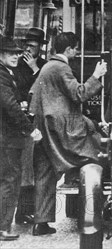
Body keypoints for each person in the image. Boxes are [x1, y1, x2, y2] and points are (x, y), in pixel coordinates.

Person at [29, 32, 107, 236]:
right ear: (69, 49)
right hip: (59, 129)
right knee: (94, 152)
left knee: (45, 174)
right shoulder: (61, 67)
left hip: (44, 128)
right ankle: (91, 214)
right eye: (76, 48)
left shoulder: (46, 67)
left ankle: (41, 222)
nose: (77, 51)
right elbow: (79, 94)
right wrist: (96, 76)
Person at [0, 36, 42, 241]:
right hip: (7, 138)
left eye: (17, 52)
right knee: (10, 181)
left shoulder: (8, 73)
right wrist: (29, 129)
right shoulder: (2, 75)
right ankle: (3, 227)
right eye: (11, 53)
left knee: (8, 180)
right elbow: (9, 106)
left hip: (7, 137)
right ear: (1, 55)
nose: (16, 56)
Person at [13, 28, 47, 225]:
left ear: (40, 48)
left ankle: (31, 210)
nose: (27, 49)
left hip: (38, 121)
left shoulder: (43, 66)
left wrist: (35, 69)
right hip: (22, 120)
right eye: (26, 45)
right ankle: (22, 212)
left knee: (36, 167)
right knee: (25, 168)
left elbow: (45, 88)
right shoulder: (16, 66)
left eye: (32, 46)